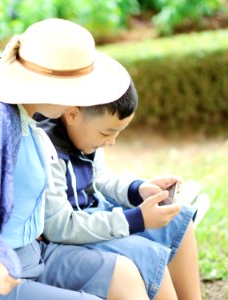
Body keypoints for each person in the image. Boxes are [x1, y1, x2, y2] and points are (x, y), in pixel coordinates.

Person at [0, 18, 153, 300]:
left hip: (32, 258)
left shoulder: (28, 119)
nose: (83, 101)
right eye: (80, 89)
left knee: (122, 273)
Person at [36, 80, 202, 300]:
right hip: (74, 233)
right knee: (146, 254)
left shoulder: (84, 134)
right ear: (72, 114)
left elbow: (101, 177)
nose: (112, 141)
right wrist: (136, 219)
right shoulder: (47, 149)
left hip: (99, 215)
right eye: (107, 133)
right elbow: (60, 227)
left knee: (179, 218)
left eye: (117, 133)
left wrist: (139, 190)